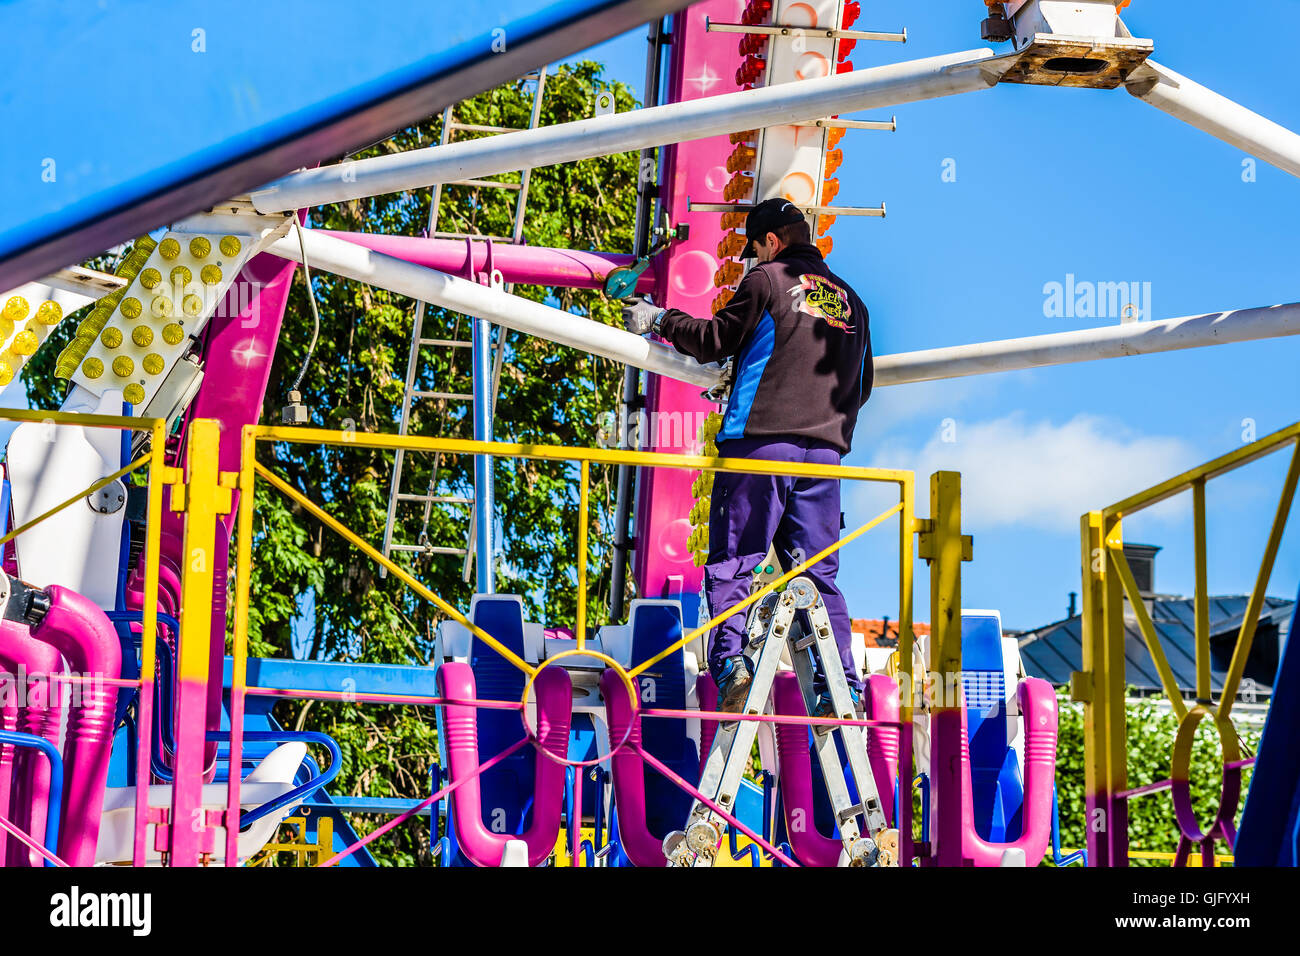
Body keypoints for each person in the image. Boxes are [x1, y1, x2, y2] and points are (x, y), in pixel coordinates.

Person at [622, 198, 874, 718]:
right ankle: (841, 686)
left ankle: (732, 666)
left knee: (736, 558)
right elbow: (862, 386)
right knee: (817, 575)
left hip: (759, 444)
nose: (753, 260)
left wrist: (660, 319)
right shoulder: (853, 302)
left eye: (755, 249)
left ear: (773, 242)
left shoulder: (768, 281)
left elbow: (717, 340)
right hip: (824, 457)